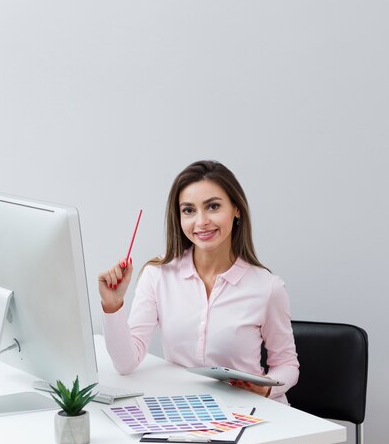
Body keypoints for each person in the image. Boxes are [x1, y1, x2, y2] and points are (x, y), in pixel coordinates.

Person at [98, 160, 299, 403]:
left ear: (236, 209)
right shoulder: (157, 275)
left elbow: (287, 365)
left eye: (213, 206)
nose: (201, 221)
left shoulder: (268, 287)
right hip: (189, 411)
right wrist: (113, 305)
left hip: (252, 411)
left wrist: (266, 389)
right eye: (189, 210)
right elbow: (125, 363)